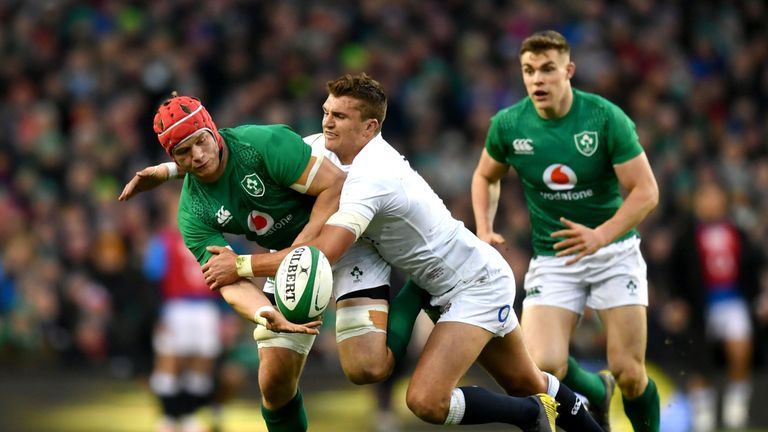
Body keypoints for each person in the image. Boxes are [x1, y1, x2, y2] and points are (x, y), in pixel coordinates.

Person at [203, 73, 604, 432]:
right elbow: (249, 154)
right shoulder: (330, 150)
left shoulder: (373, 174)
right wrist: (176, 167)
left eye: (339, 117)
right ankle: (588, 405)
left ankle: (528, 415)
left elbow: (322, 253)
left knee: (426, 401)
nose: (327, 122)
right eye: (326, 112)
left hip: (473, 284)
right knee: (527, 381)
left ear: (370, 126)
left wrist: (240, 264)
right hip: (451, 278)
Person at [119, 92, 426, 431]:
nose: (198, 155)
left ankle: (418, 289)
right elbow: (227, 280)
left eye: (201, 142)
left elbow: (334, 187)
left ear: (213, 130)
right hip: (288, 261)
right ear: (173, 158)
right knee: (274, 383)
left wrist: (302, 249)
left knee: (367, 369)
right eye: (183, 152)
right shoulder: (193, 212)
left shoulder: (262, 144)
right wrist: (265, 313)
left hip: (344, 240)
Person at [471, 30, 660, 432]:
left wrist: (602, 234)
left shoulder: (604, 118)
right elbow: (486, 175)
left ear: (568, 71)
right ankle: (594, 389)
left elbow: (646, 192)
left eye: (547, 70)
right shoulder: (509, 124)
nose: (537, 79)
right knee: (543, 365)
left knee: (629, 371)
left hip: (615, 252)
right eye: (528, 71)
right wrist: (484, 228)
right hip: (553, 257)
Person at [665, 180, 763, 431]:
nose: (709, 202)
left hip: (733, 300)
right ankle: (703, 417)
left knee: (741, 352)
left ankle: (735, 411)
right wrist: (675, 302)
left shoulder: (738, 231)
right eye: (704, 197)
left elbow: (756, 266)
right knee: (698, 360)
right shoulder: (686, 235)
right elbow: (673, 271)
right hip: (700, 306)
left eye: (714, 196)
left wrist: (762, 295)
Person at [144, 187, 221, 432]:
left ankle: (189, 415)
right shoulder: (163, 242)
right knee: (169, 360)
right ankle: (168, 416)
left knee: (202, 361)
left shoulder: (209, 239)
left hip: (206, 306)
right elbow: (151, 281)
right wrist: (158, 314)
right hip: (175, 307)